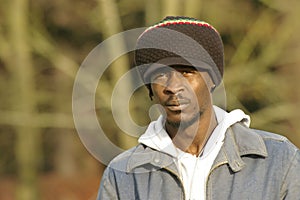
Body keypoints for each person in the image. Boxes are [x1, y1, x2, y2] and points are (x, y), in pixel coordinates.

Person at [97, 16, 300, 200]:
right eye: (160, 75)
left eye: (186, 72)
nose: (173, 87)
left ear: (212, 80)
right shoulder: (121, 175)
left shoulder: (280, 160)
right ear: (150, 90)